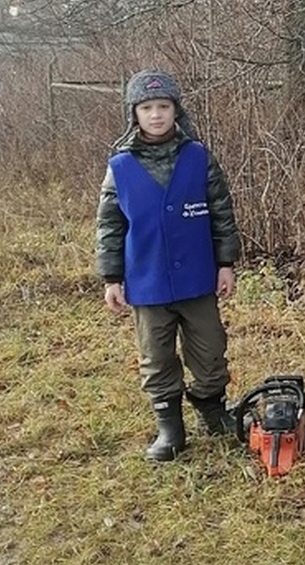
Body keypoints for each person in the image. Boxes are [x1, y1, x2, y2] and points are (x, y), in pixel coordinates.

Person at [95, 69, 242, 461]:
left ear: (176, 110)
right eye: (147, 108)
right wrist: (112, 277)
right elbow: (109, 225)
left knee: (211, 351)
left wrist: (225, 262)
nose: (156, 115)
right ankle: (169, 427)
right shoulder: (120, 166)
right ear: (134, 114)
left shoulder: (198, 157)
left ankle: (212, 408)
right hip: (147, 281)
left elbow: (222, 212)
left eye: (163, 106)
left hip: (198, 277)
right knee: (156, 356)